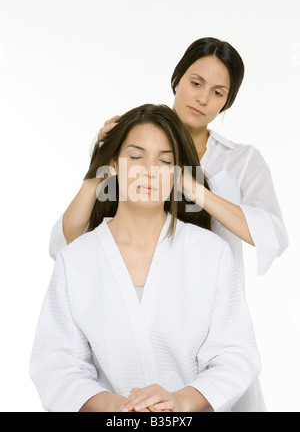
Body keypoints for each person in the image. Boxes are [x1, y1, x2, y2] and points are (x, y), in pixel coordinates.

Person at [48, 38, 288, 411]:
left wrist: (190, 184)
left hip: (206, 330)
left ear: (227, 101)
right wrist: (102, 160)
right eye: (195, 82)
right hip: (127, 336)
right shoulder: (135, 136)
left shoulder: (240, 162)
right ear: (176, 78)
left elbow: (272, 234)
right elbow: (70, 245)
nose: (202, 98)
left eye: (218, 92)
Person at [30, 104, 261, 412]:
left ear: (179, 174)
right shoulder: (76, 260)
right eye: (136, 157)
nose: (150, 171)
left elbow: (236, 356)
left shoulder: (211, 253)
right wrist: (111, 405)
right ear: (112, 165)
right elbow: (56, 364)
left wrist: (181, 401)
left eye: (164, 161)